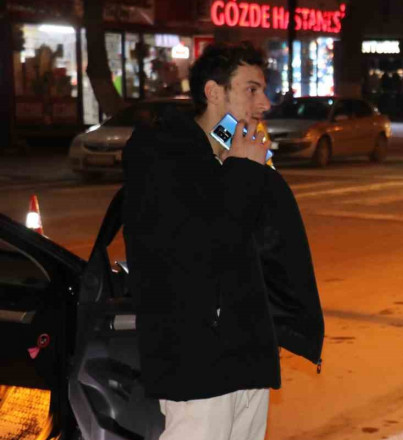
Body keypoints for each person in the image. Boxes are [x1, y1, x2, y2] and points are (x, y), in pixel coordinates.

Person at [122, 42, 324, 440]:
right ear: (214, 93)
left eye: (264, 90)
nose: (264, 103)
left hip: (248, 357)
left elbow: (271, 252)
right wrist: (243, 174)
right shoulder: (162, 156)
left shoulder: (239, 158)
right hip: (196, 362)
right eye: (251, 90)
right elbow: (195, 249)